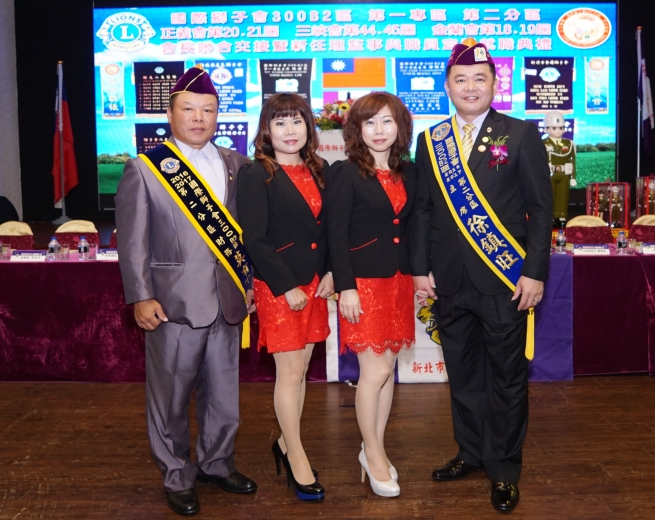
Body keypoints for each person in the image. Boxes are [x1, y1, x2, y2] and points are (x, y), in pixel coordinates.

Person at [409, 38, 552, 512]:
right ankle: (470, 453)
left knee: (507, 377)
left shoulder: (520, 134)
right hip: (449, 281)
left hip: (505, 280)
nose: (470, 86)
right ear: (447, 86)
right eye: (460, 79)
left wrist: (534, 272)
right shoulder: (431, 141)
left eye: (479, 78)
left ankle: (504, 469)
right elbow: (423, 210)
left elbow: (540, 209)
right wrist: (419, 269)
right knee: (464, 373)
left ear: (494, 84)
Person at [116, 65, 257, 516]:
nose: (199, 118)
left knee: (224, 394)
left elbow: (247, 236)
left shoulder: (237, 165)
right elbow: (132, 240)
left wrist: (249, 284)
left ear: (218, 115)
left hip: (228, 301)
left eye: (208, 110)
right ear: (170, 114)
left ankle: (217, 463)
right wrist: (141, 296)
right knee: (171, 397)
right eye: (189, 109)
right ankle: (177, 474)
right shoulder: (146, 169)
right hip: (172, 304)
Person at [237, 93, 332, 501]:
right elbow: (254, 239)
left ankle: (284, 442)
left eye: (297, 121)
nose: (290, 130)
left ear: (308, 126)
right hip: (280, 288)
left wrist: (330, 272)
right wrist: (286, 286)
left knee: (302, 369)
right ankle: (296, 457)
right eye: (280, 123)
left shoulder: (320, 169)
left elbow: (328, 230)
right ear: (266, 130)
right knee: (289, 372)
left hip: (315, 285)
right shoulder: (256, 173)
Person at [326, 92, 416, 498]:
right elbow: (336, 233)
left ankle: (373, 447)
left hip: (398, 281)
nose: (379, 131)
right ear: (357, 129)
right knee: (374, 372)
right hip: (362, 285)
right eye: (370, 122)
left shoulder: (408, 172)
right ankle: (373, 453)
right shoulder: (345, 173)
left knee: (389, 368)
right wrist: (345, 286)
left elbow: (411, 227)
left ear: (400, 127)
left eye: (387, 121)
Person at [543, 111, 576, 228]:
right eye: (554, 128)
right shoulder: (542, 143)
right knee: (549, 196)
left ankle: (561, 216)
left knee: (563, 195)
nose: (558, 131)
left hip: (564, 173)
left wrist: (573, 177)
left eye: (560, 128)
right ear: (546, 129)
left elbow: (572, 160)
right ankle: (551, 216)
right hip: (549, 174)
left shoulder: (569, 144)